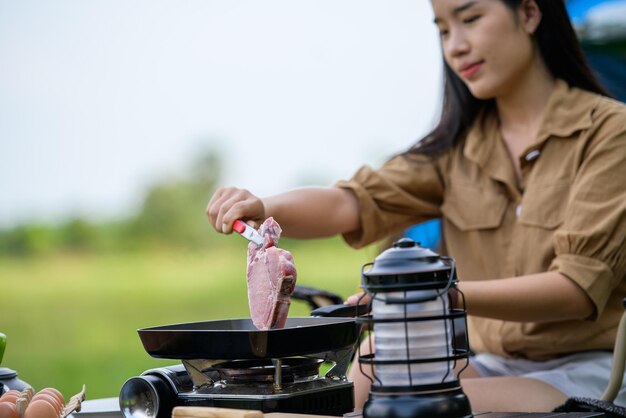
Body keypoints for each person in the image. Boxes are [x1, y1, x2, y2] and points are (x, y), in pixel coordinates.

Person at [206, 0, 626, 413]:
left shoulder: (610, 132)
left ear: (530, 13)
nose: (455, 46)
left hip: (591, 371)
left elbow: (573, 291)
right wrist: (262, 205)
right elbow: (350, 202)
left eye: (471, 18)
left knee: (409, 402)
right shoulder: (455, 150)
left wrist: (428, 296)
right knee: (366, 371)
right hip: (490, 363)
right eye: (443, 30)